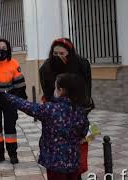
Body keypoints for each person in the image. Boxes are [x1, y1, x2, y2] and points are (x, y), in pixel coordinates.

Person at [5, 73, 89, 180]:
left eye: (55, 88)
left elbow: (27, 106)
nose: (54, 91)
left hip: (55, 164)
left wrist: (7, 96)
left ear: (61, 90)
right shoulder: (79, 110)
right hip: (74, 162)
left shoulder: (50, 109)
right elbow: (84, 132)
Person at [39, 38, 94, 179]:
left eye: (62, 53)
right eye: (55, 53)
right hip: (55, 116)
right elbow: (48, 93)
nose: (58, 57)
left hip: (77, 113)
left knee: (77, 152)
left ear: (70, 53)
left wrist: (80, 112)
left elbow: (86, 92)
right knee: (56, 154)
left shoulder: (81, 64)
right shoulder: (46, 68)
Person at [0, 39, 27, 164]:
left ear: (8, 49)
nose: (1, 49)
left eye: (4, 47)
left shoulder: (13, 63)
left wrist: (19, 100)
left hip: (9, 99)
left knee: (10, 127)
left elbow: (20, 84)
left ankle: (12, 154)